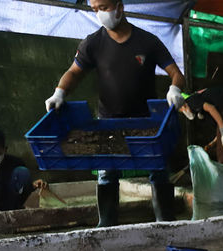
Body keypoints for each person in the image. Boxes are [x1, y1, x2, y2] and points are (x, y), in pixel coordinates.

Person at [45, 0, 186, 227]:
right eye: (95, 9)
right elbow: (74, 72)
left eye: (104, 7)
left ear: (119, 6)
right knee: (107, 174)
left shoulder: (148, 41)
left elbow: (176, 73)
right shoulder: (93, 43)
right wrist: (59, 93)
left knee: (158, 170)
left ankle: (166, 223)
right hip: (108, 123)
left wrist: (175, 89)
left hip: (146, 123)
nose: (100, 13)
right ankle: (107, 226)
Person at [179, 88, 223, 164]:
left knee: (222, 151)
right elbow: (219, 128)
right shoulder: (201, 109)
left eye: (182, 110)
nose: (183, 112)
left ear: (184, 105)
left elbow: (211, 108)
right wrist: (211, 145)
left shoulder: (191, 101)